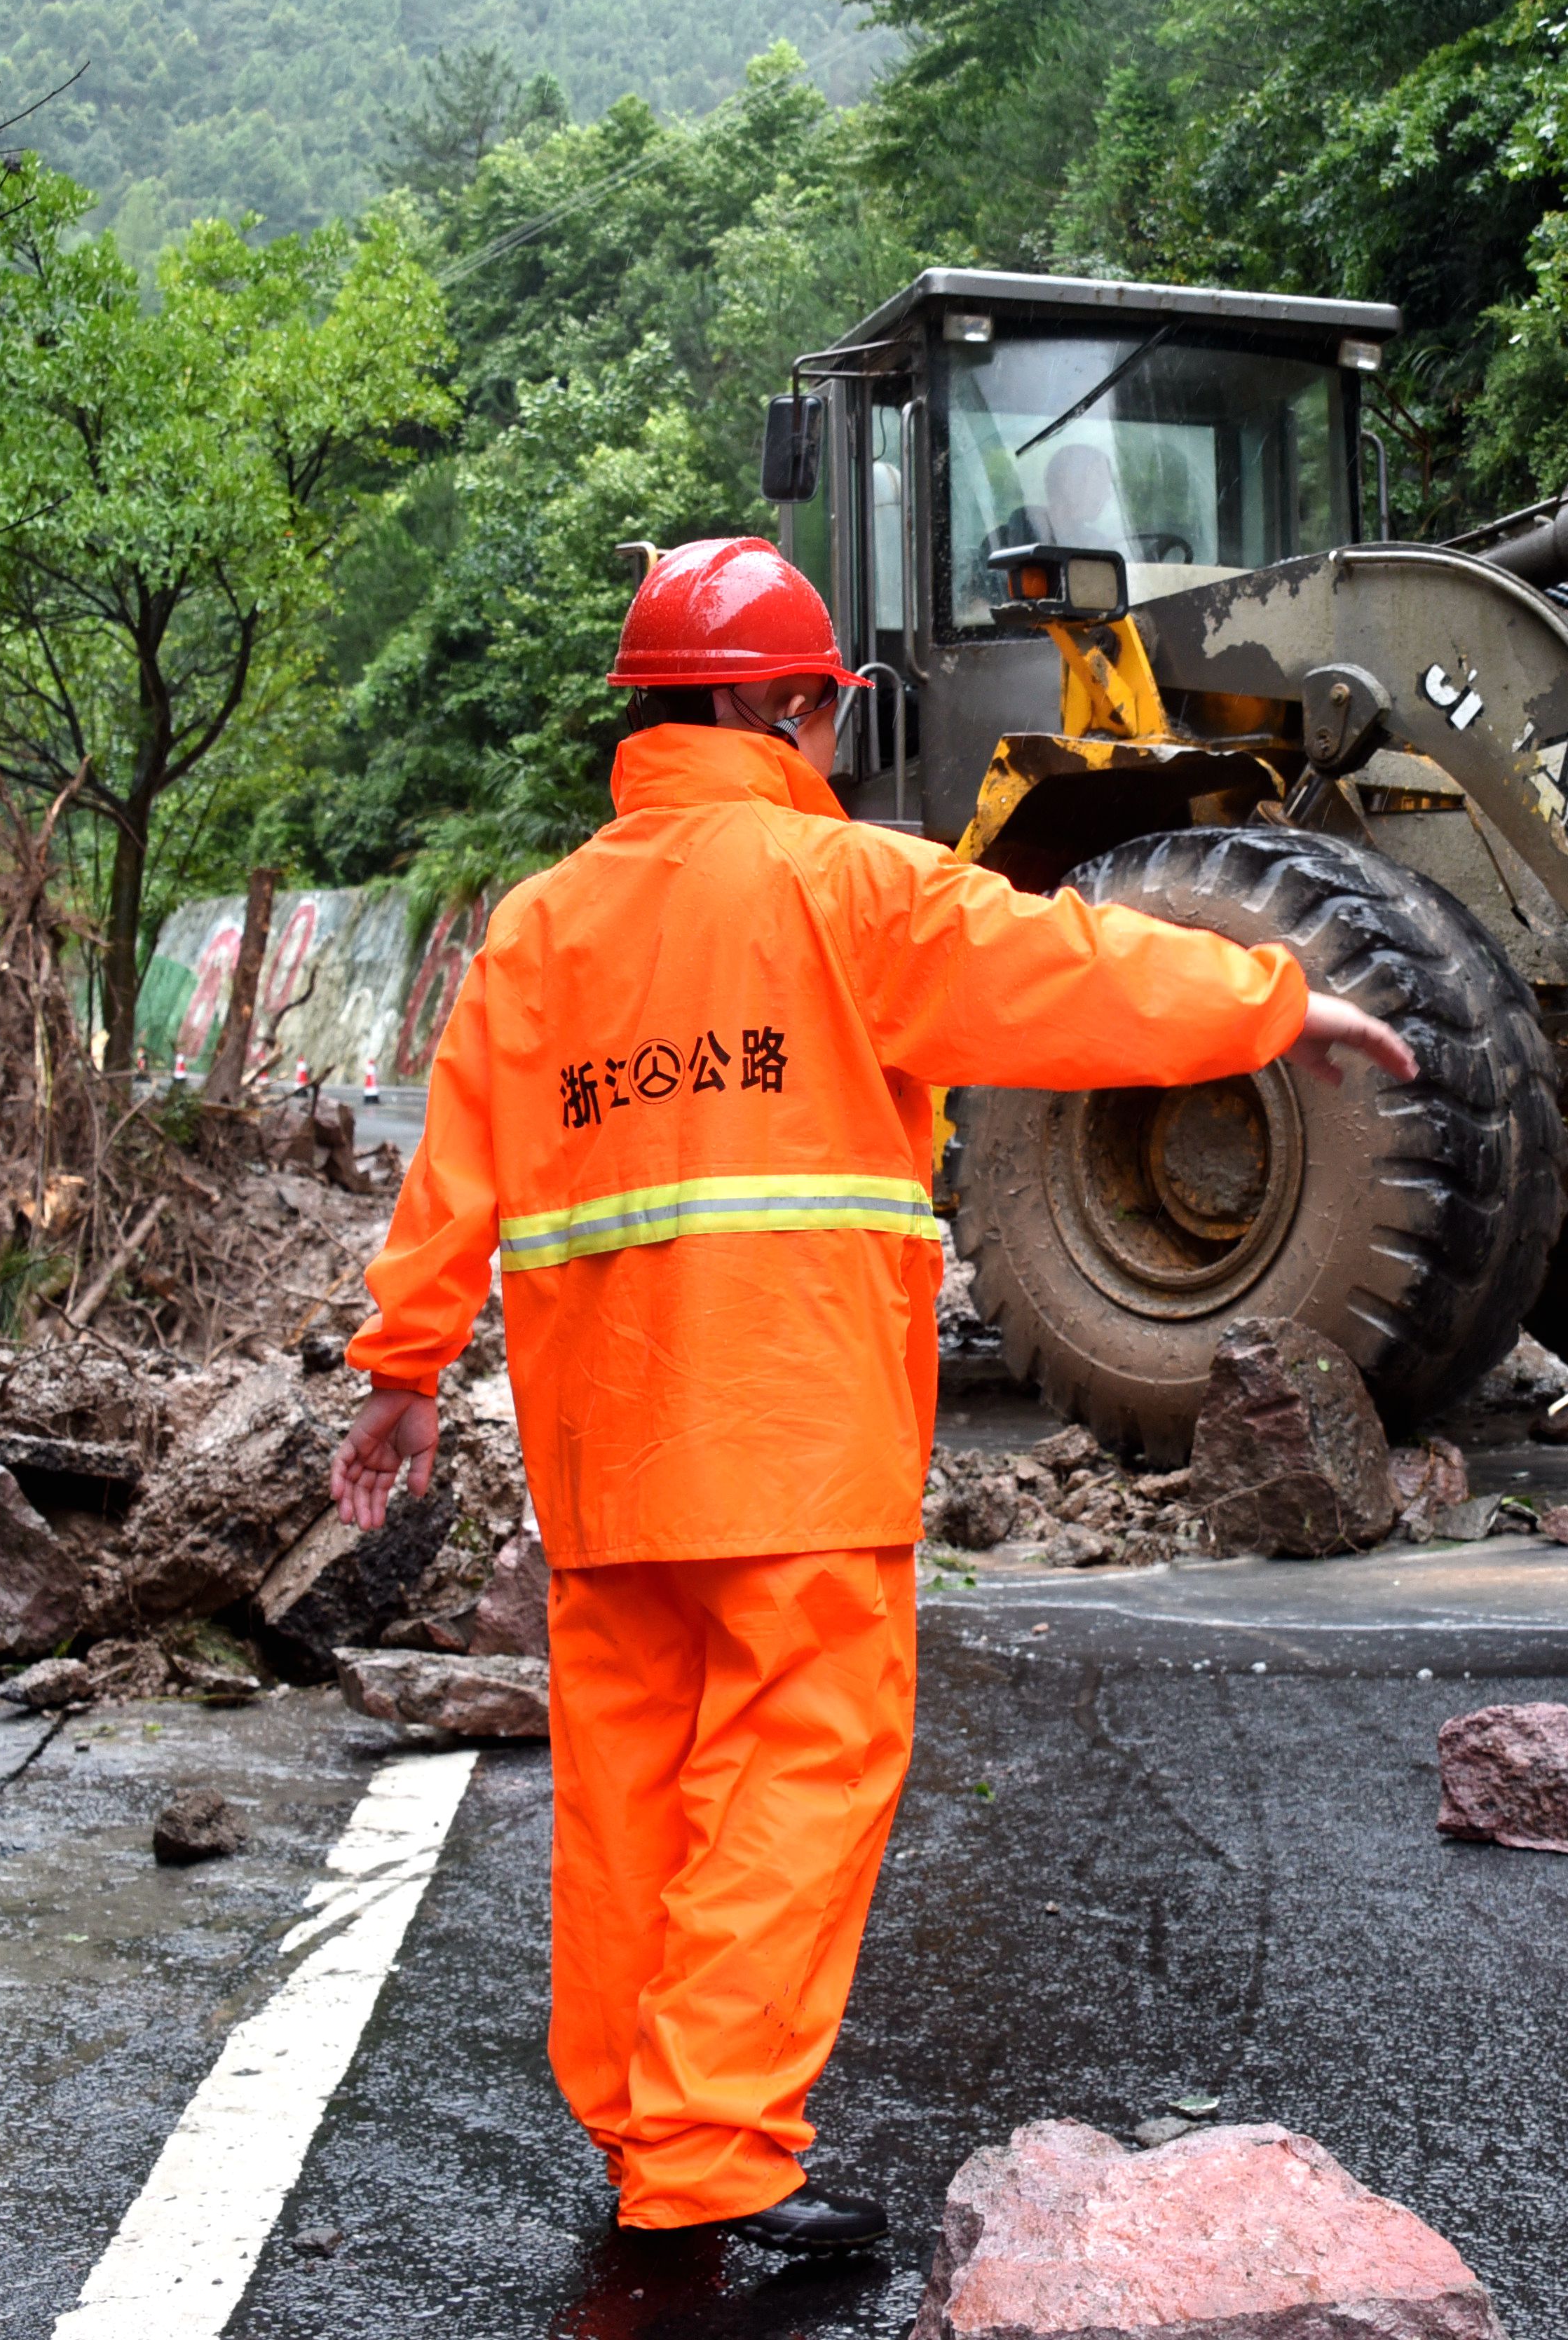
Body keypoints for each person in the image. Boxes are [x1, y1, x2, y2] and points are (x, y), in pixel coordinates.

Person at [327, 535, 1413, 2257]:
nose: (838, 732)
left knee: (631, 1782)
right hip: (791, 1427)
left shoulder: (538, 930)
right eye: (829, 703)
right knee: (800, 1762)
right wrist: (1281, 1003)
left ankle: (638, 2109)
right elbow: (1079, 970)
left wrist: (397, 1373)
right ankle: (704, 2153)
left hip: (607, 1449)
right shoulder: (855, 892)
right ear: (776, 700)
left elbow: (451, 1175)